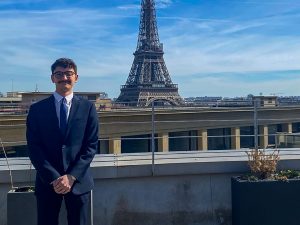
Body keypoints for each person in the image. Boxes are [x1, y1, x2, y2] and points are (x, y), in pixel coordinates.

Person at [26, 58, 99, 225]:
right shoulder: (37, 110)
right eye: (59, 74)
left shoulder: (88, 108)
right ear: (52, 78)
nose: (64, 78)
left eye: (68, 74)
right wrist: (54, 178)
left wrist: (72, 176)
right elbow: (34, 147)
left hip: (78, 182)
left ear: (76, 77)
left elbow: (91, 145)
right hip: (48, 182)